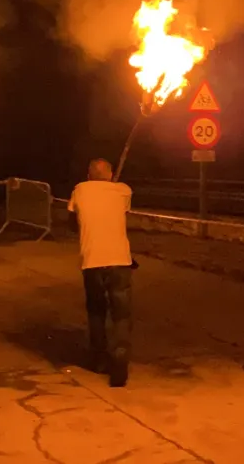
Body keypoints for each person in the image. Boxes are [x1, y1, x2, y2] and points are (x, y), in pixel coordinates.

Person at [68, 158, 134, 387]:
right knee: (121, 314)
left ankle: (98, 359)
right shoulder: (123, 191)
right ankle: (120, 356)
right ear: (111, 174)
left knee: (96, 311)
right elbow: (121, 209)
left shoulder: (79, 190)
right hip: (120, 261)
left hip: (92, 261)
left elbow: (72, 221)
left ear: (88, 175)